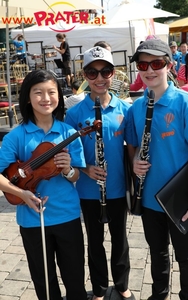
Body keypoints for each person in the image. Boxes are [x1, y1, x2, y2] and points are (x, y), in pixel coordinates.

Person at [129, 39, 188, 300]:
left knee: (186, 256)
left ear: (170, 65)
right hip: (151, 198)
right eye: (143, 64)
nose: (149, 70)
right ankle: (159, 294)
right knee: (157, 253)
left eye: (157, 63)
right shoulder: (137, 107)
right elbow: (132, 146)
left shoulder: (187, 103)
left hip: (182, 199)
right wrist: (134, 162)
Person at [0, 69, 87, 300]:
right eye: (38, 92)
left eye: (51, 92)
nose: (45, 98)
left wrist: (68, 169)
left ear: (59, 96)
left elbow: (76, 176)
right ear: (28, 98)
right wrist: (22, 193)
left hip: (67, 215)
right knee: (44, 282)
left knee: (75, 278)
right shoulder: (16, 136)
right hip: (32, 220)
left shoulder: (68, 133)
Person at [65, 46, 135, 300]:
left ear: (113, 73)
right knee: (94, 242)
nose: (99, 78)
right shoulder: (74, 114)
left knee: (120, 239)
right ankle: (99, 288)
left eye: (105, 71)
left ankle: (122, 283)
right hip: (88, 189)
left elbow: (132, 149)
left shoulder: (124, 109)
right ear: (84, 75)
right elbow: (70, 153)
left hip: (117, 186)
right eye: (92, 73)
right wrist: (85, 168)